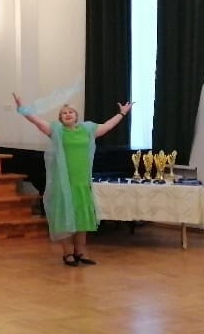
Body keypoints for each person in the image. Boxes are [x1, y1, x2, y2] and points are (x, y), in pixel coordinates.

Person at [13, 93, 132, 266]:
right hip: (64, 183)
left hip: (82, 182)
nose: (68, 114)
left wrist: (122, 113)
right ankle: (67, 253)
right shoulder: (56, 131)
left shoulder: (88, 130)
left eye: (70, 112)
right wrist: (22, 108)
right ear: (60, 118)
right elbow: (36, 121)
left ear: (76, 116)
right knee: (65, 217)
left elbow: (107, 126)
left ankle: (80, 252)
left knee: (82, 217)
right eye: (64, 113)